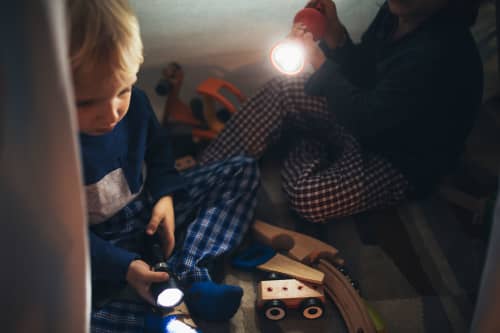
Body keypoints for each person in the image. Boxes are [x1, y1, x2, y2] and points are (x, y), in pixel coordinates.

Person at [67, 0, 260, 331]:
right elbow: (59, 237)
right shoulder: (47, 148)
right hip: (91, 242)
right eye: (87, 102)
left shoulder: (137, 105)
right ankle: (151, 314)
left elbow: (158, 152)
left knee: (241, 169)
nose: (112, 112)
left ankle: (190, 270)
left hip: (145, 214)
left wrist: (165, 197)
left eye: (122, 90)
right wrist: (124, 266)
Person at [200, 0, 484, 223]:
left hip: (401, 160)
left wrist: (320, 63)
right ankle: (205, 172)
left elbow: (366, 119)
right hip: (367, 116)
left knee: (308, 197)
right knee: (285, 87)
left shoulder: (439, 52)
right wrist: (335, 35)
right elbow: (365, 73)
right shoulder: (395, 13)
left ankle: (311, 141)